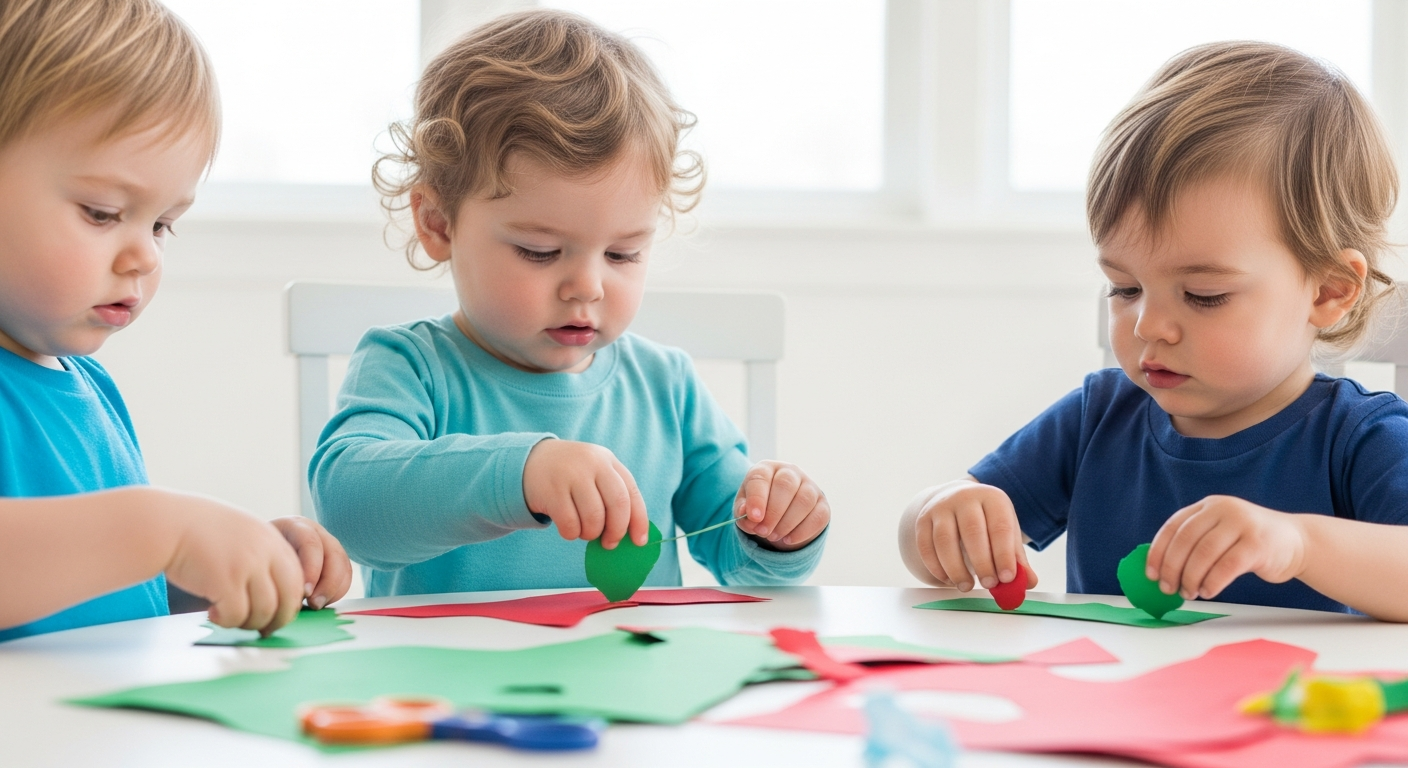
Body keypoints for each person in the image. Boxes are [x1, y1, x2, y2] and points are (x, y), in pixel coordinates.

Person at [312, 10, 830, 597]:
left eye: (623, 254)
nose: (587, 287)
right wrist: (523, 475)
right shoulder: (408, 366)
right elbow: (350, 509)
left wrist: (780, 531)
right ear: (437, 222)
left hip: (627, 681)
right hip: (450, 680)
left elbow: (740, 559)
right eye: (540, 251)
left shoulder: (667, 386)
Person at [898, 41, 1408, 621]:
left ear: (1328, 291)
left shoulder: (1360, 439)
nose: (1148, 326)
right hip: (1115, 705)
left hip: (1284, 711)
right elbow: (926, 545)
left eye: (1203, 295)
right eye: (1124, 287)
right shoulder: (1098, 417)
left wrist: (1297, 544)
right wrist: (943, 511)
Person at [0, 0, 352, 641]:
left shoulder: (89, 387)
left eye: (163, 223)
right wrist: (161, 530)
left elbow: (99, 589)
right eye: (103, 212)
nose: (145, 256)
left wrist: (224, 566)